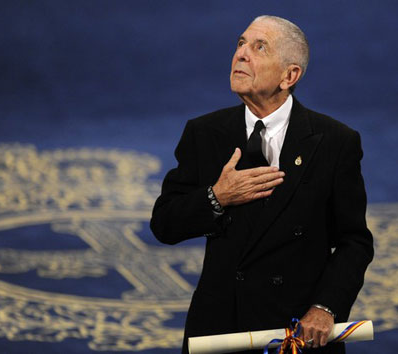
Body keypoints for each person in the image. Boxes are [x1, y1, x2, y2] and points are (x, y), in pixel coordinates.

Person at [150, 15, 373, 354]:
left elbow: (354, 242)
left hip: (296, 332)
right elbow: (164, 225)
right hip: (221, 330)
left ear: (290, 75)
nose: (241, 54)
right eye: (240, 43)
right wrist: (217, 197)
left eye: (259, 47)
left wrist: (326, 308)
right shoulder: (205, 133)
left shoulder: (334, 142)